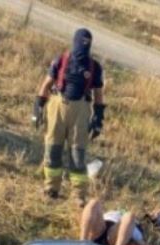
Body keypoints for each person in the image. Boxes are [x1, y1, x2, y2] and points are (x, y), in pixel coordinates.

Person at [34, 28, 105, 203]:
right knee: (53, 149)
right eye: (81, 43)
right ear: (74, 42)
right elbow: (46, 85)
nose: (83, 48)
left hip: (80, 109)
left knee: (77, 153)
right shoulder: (61, 60)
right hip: (57, 106)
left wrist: (97, 119)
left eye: (87, 44)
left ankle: (78, 195)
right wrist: (38, 108)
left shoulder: (94, 67)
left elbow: (99, 95)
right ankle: (51, 188)